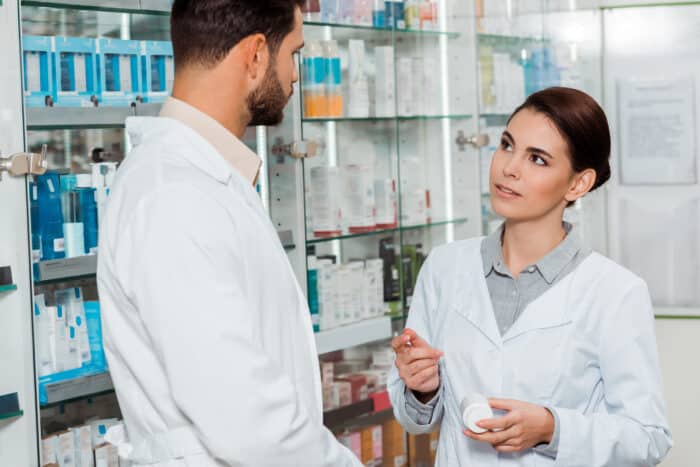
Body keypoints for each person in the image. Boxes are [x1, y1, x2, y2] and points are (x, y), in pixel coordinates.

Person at [96, 1, 363, 465]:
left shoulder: (202, 178)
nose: (296, 76)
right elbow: (248, 422)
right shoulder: (173, 196)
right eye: (293, 53)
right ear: (256, 55)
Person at [388, 87, 673, 466]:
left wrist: (552, 429)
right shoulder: (444, 267)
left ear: (578, 184)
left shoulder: (615, 292)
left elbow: (647, 439)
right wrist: (422, 389)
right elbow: (416, 421)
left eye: (537, 159)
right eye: (507, 145)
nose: (509, 168)